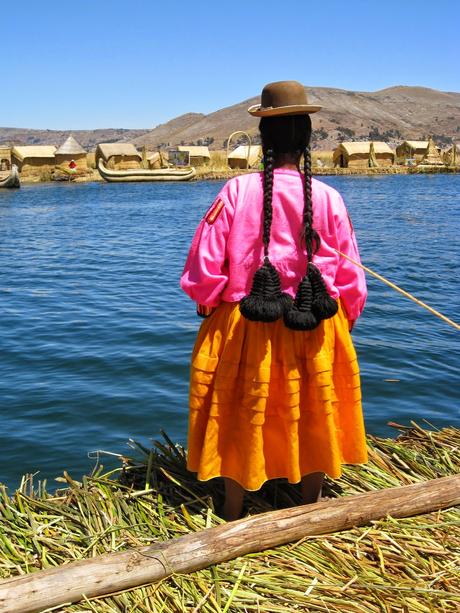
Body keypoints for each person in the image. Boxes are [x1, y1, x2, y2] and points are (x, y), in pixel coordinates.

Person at [180, 81, 368, 521]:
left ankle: (233, 507)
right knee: (313, 408)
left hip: (245, 324)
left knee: (239, 411)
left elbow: (204, 268)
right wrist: (342, 322)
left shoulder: (236, 192)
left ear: (263, 139)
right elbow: (351, 276)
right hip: (315, 325)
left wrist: (209, 307)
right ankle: (309, 505)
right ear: (306, 140)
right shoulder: (329, 198)